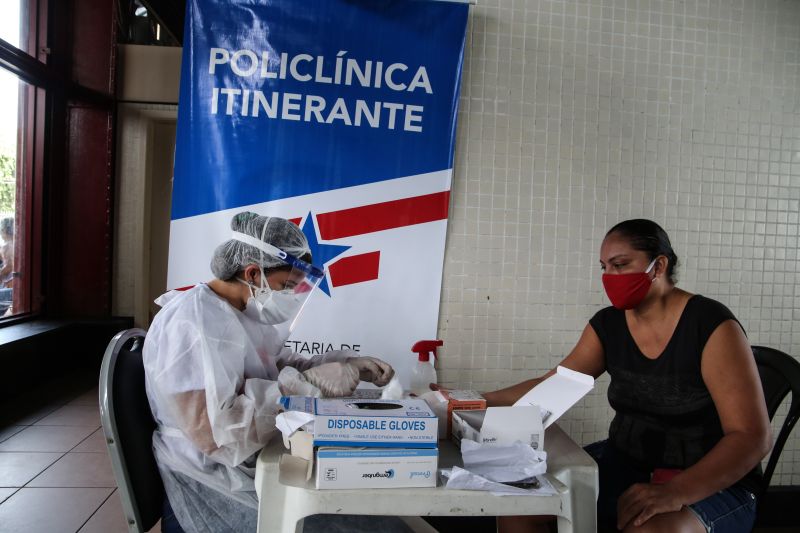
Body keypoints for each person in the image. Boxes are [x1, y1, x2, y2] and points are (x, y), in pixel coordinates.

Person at [483, 219, 771, 533]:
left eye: (620, 265)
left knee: (647, 528)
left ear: (658, 265)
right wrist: (475, 400)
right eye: (604, 267)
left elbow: (751, 437)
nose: (610, 277)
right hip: (626, 462)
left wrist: (677, 491)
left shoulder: (710, 326)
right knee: (518, 508)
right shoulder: (608, 325)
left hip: (710, 478)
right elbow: (555, 383)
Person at [144, 211, 397, 533]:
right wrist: (306, 383)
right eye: (287, 285)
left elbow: (277, 366)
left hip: (250, 461)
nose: (290, 296)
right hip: (213, 480)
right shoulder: (193, 322)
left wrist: (346, 364)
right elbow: (214, 435)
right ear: (252, 273)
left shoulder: (242, 313)